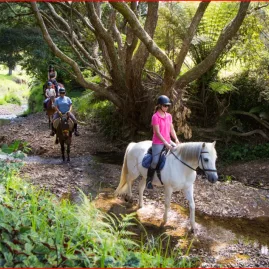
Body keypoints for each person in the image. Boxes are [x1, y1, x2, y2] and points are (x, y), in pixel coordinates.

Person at [146, 95, 180, 189]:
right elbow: (157, 132)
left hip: (168, 140)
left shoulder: (169, 116)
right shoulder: (155, 117)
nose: (166, 107)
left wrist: (176, 139)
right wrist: (165, 143)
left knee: (179, 151)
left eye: (167, 106)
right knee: (155, 161)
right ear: (160, 105)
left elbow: (171, 129)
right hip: (158, 142)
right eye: (165, 105)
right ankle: (149, 180)